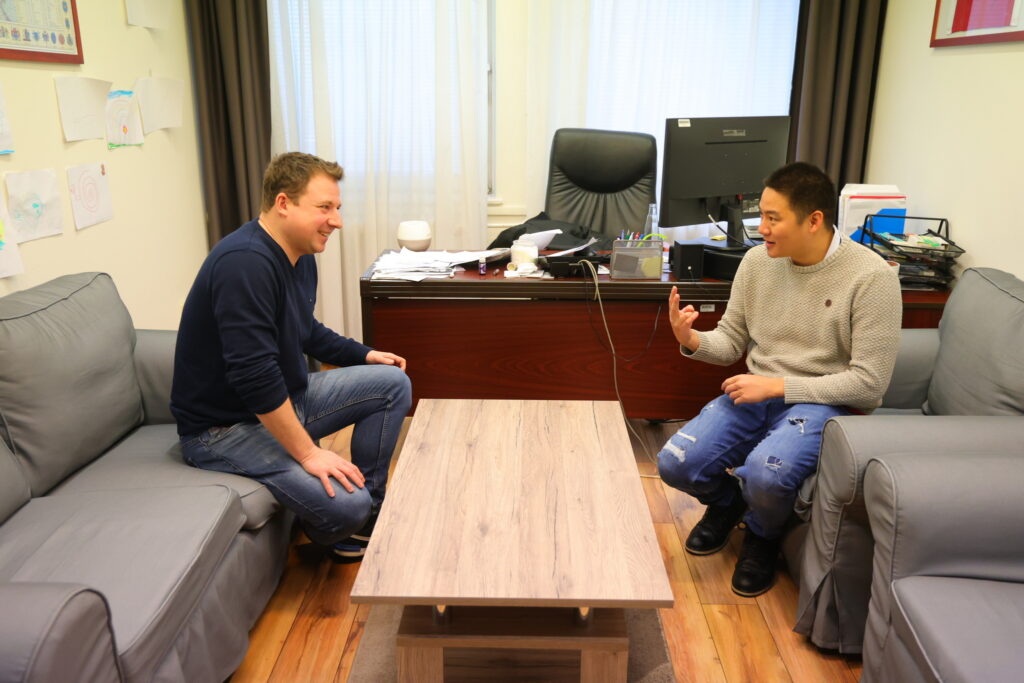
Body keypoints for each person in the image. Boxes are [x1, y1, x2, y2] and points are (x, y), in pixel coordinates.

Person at [657, 162, 901, 596]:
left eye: (773, 218)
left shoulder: (872, 277)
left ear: (813, 220)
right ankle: (728, 504)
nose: (762, 228)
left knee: (766, 476)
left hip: (824, 403)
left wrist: (779, 386)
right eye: (762, 216)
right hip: (758, 393)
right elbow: (731, 341)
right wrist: (691, 339)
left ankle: (762, 534)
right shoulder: (757, 262)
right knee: (675, 463)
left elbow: (869, 384)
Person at [171, 152, 412, 563]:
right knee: (345, 506)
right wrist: (309, 453)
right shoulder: (244, 264)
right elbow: (254, 375)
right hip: (223, 430)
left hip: (285, 400)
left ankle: (367, 515)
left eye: (337, 208)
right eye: (325, 208)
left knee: (392, 383)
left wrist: (366, 354)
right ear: (283, 203)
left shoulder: (299, 255)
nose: (337, 221)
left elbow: (306, 330)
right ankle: (347, 519)